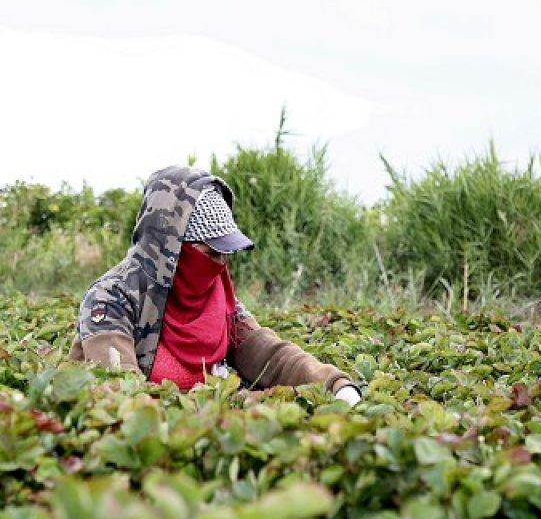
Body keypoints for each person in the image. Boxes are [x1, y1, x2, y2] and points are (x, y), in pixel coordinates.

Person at [68, 165, 363, 405]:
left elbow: (272, 355)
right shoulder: (112, 299)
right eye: (211, 253)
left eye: (226, 253)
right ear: (170, 248)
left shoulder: (220, 301)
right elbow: (122, 395)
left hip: (209, 431)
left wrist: (335, 383)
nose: (220, 264)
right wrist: (244, 403)